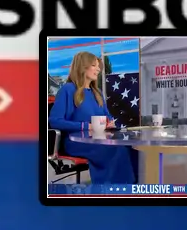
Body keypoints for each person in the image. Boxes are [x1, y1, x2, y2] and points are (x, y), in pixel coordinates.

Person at [48, 52, 138, 185]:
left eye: (98, 66)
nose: (98, 69)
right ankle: (112, 190)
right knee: (115, 150)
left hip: (99, 138)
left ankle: (133, 187)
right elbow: (54, 121)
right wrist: (86, 126)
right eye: (94, 65)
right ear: (82, 67)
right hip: (75, 141)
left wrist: (109, 122)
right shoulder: (67, 90)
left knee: (131, 147)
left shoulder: (97, 92)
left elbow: (107, 115)